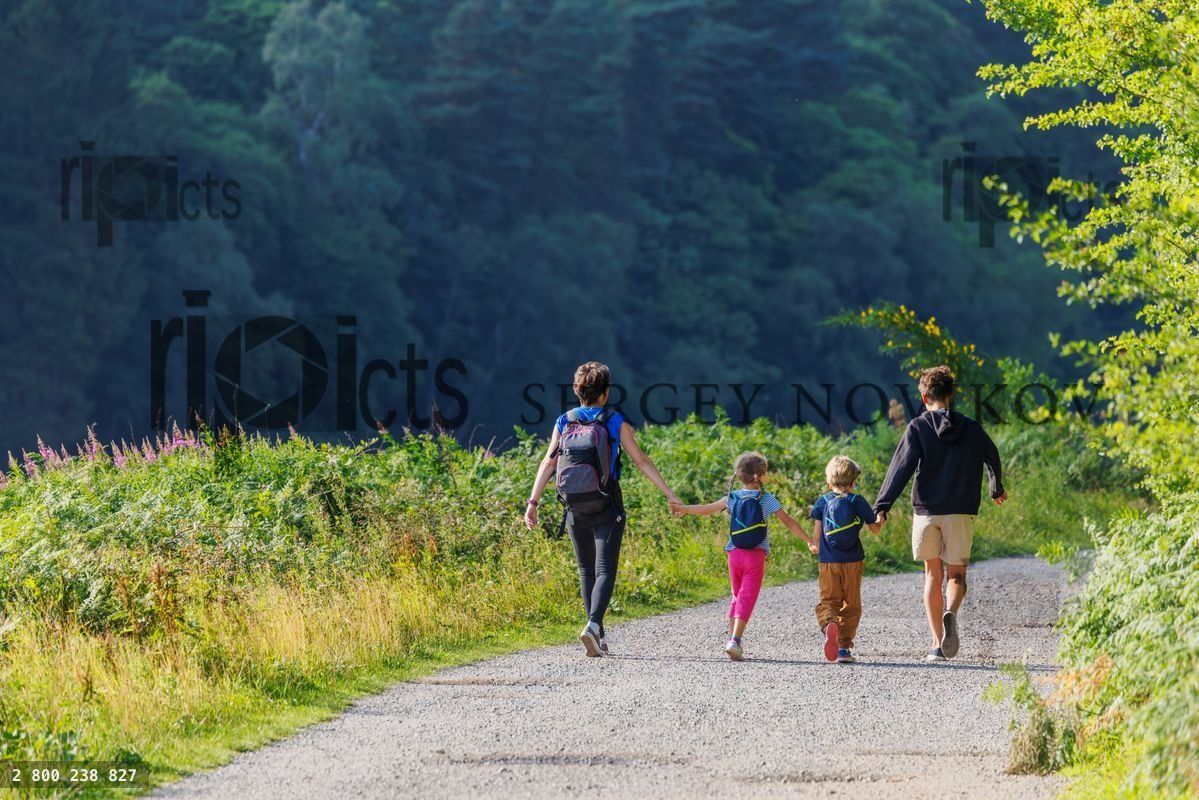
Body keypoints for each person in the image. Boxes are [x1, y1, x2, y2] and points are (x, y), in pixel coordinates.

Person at [524, 361, 681, 657]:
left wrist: (533, 502)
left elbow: (549, 462)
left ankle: (598, 632)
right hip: (608, 503)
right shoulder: (613, 419)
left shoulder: (564, 420)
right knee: (604, 568)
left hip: (573, 506)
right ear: (605, 393)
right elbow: (641, 460)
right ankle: (594, 625)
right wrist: (669, 494)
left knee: (586, 570)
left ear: (576, 389)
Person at [873, 365, 1008, 662]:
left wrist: (882, 506)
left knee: (932, 575)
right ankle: (951, 611)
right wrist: (996, 488)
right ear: (951, 395)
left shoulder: (918, 427)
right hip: (961, 511)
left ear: (924, 397)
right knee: (956, 575)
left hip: (927, 512)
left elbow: (900, 468)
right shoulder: (972, 428)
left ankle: (936, 645)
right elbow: (993, 455)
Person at [670, 451, 815, 661]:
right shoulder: (766, 499)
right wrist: (808, 540)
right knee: (747, 597)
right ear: (760, 476)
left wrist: (682, 508)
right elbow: (789, 522)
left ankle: (732, 638)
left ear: (740, 476)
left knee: (736, 596)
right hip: (755, 555)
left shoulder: (732, 498)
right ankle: (735, 641)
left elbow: (706, 509)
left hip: (734, 554)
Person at [810, 455, 884, 664]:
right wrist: (880, 520)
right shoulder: (858, 501)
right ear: (853, 482)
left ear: (829, 481)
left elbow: (817, 534)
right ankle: (843, 647)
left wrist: (814, 547)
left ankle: (829, 623)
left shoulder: (822, 501)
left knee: (829, 600)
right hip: (853, 561)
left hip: (827, 561)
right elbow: (875, 530)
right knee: (851, 604)